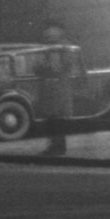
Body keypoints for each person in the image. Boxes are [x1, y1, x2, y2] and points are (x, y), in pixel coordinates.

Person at [37, 19, 73, 157]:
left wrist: (46, 66)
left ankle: (58, 148)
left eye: (49, 30)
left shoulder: (63, 47)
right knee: (51, 119)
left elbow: (59, 67)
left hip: (59, 88)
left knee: (58, 120)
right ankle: (54, 147)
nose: (46, 33)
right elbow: (37, 66)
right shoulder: (47, 47)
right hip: (49, 88)